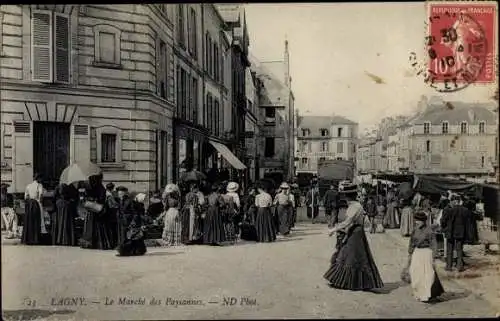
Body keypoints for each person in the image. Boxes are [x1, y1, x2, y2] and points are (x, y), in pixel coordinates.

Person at [324, 185, 384, 291]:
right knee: (348, 255)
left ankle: (350, 282)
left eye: (345, 195)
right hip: (354, 231)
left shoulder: (355, 206)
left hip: (356, 233)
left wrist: (333, 229)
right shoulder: (353, 205)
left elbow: (348, 222)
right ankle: (345, 282)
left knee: (350, 256)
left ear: (348, 196)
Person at [408, 211, 445, 303]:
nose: (416, 222)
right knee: (416, 273)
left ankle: (428, 294)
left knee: (427, 274)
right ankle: (419, 293)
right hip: (417, 253)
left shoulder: (429, 231)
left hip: (426, 253)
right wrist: (410, 252)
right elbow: (411, 242)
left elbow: (434, 244)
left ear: (423, 221)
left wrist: (433, 256)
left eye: (418, 220)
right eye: (416, 220)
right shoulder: (415, 230)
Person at [80, 175, 113, 250]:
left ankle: (89, 243)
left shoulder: (89, 188)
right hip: (97, 210)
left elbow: (84, 198)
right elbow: (101, 199)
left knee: (90, 227)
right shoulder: (101, 188)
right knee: (98, 227)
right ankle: (98, 243)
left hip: (91, 210)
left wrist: (90, 199)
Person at [440, 195, 469, 272]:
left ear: (454, 201)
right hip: (460, 232)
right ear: (459, 201)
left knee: (449, 250)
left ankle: (449, 267)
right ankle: (460, 266)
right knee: (459, 250)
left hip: (450, 232)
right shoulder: (465, 210)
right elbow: (467, 222)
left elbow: (443, 221)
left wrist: (444, 228)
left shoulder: (449, 210)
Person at [21, 174, 47, 245]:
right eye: (41, 179)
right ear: (38, 179)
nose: (41, 180)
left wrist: (30, 202)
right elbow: (41, 196)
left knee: (29, 221)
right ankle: (36, 239)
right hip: (37, 204)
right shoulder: (39, 185)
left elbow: (26, 197)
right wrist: (40, 202)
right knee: (38, 221)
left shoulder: (28, 186)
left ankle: (29, 238)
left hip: (30, 205)